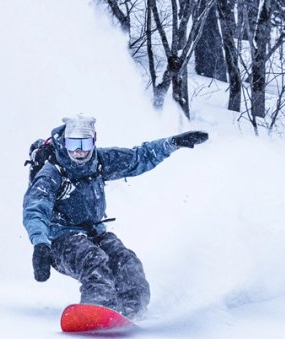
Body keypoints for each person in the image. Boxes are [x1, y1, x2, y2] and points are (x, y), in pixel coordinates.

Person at [22, 114, 208, 319]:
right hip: (59, 241)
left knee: (126, 261)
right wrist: (40, 245)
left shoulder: (99, 161)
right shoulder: (53, 172)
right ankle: (97, 308)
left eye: (84, 143)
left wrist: (173, 143)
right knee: (93, 259)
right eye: (73, 143)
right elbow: (35, 209)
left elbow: (139, 157)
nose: (79, 150)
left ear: (94, 141)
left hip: (93, 233)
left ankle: (132, 309)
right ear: (65, 142)